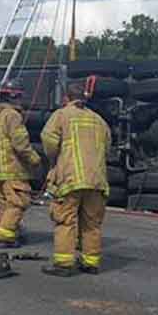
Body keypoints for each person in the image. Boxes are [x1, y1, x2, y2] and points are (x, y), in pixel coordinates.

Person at [40, 80, 111, 276]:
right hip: (97, 181)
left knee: (65, 220)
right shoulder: (99, 120)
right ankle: (91, 262)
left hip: (70, 180)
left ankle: (63, 264)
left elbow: (49, 140)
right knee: (92, 223)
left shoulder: (61, 115)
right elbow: (107, 147)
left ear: (66, 98)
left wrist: (56, 159)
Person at [0, 86, 40, 247]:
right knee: (19, 201)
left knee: (5, 203)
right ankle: (6, 235)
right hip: (13, 168)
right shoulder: (13, 116)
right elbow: (20, 143)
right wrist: (35, 159)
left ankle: (10, 233)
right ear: (14, 97)